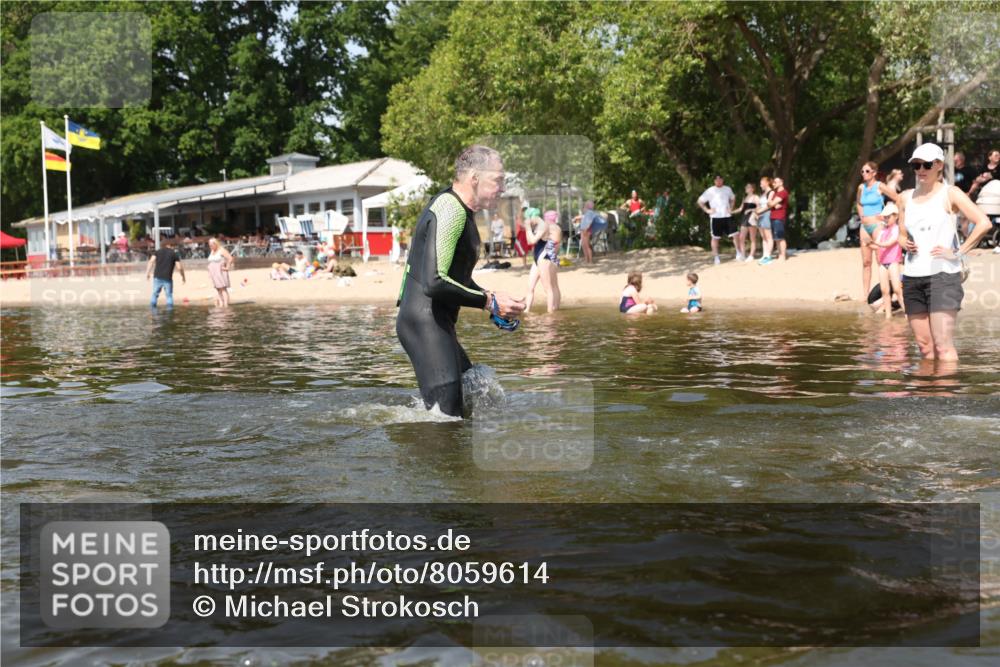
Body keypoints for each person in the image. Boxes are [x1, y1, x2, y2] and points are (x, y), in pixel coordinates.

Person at [395, 145, 524, 417]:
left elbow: (454, 278)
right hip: (423, 322)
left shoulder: (460, 210)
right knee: (446, 421)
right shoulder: (450, 209)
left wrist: (492, 298)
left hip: (434, 321)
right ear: (475, 178)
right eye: (498, 180)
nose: (502, 188)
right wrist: (488, 301)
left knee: (472, 391)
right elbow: (434, 282)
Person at [898, 143, 991, 361]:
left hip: (943, 276)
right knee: (924, 346)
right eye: (916, 165)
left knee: (943, 346)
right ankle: (928, 393)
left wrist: (958, 252)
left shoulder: (951, 193)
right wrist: (904, 242)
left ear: (939, 165)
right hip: (912, 277)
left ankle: (946, 394)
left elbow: (983, 223)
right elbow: (901, 233)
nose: (921, 169)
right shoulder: (905, 197)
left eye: (927, 165)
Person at [856, 162, 900, 295]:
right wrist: (861, 215)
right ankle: (865, 294)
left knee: (880, 260)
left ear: (874, 172)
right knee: (866, 262)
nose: (864, 173)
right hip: (864, 226)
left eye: (867, 171)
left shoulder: (880, 186)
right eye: (862, 171)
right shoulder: (861, 187)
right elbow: (858, 202)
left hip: (877, 225)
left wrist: (888, 215)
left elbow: (897, 198)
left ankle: (885, 291)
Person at [870, 203, 905, 319]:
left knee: (896, 289)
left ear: (895, 216)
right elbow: (878, 244)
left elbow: (889, 243)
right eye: (885, 217)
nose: (886, 219)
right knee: (884, 290)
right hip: (883, 263)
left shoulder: (897, 230)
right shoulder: (883, 231)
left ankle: (907, 313)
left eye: (888, 217)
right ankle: (888, 316)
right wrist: (870, 244)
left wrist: (875, 243)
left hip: (893, 262)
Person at [523, 209, 562, 313]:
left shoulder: (544, 225)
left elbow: (532, 241)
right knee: (531, 286)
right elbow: (529, 240)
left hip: (544, 257)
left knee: (548, 287)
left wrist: (527, 228)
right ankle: (527, 310)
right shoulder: (553, 227)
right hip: (544, 257)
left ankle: (551, 312)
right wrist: (528, 229)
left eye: (529, 219)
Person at [697, 175, 737, 264]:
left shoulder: (727, 189)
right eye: (717, 179)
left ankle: (739, 253)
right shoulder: (710, 190)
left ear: (722, 180)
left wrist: (731, 208)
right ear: (714, 181)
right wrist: (707, 210)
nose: (718, 181)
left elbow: (733, 198)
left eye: (720, 179)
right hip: (715, 217)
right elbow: (700, 201)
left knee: (735, 235)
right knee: (715, 238)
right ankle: (716, 257)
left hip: (727, 216)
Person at [573, 200, 606, 264]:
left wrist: (586, 229)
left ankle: (590, 261)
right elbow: (583, 217)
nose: (583, 208)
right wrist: (577, 218)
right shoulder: (587, 213)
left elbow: (590, 221)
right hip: (583, 229)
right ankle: (586, 260)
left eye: (584, 206)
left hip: (586, 230)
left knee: (587, 245)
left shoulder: (590, 213)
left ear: (587, 206)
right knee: (584, 245)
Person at [733, 183, 760, 262]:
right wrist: (731, 212)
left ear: (752, 189)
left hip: (752, 218)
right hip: (744, 218)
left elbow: (759, 207)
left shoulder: (756, 197)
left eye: (748, 187)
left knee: (752, 238)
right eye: (746, 186)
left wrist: (751, 210)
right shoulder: (745, 198)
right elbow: (741, 208)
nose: (746, 188)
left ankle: (751, 256)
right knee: (741, 238)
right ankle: (743, 255)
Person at [206, 237, 235, 307]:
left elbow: (230, 258)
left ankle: (226, 304)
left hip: (220, 271)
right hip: (214, 272)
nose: (210, 247)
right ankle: (221, 304)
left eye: (211, 245)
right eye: (209, 245)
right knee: (218, 288)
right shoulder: (212, 251)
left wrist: (227, 267)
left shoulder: (221, 250)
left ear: (215, 244)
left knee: (223, 288)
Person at [768, 177, 791, 261]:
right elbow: (770, 204)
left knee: (780, 238)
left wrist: (772, 202)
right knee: (776, 238)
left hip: (779, 217)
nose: (773, 184)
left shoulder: (783, 192)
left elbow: (771, 203)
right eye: (773, 182)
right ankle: (780, 254)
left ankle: (783, 256)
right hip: (773, 217)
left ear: (781, 183)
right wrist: (773, 203)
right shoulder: (775, 193)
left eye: (775, 182)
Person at [756, 176, 774, 264]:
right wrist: (757, 212)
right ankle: (764, 255)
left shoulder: (771, 192)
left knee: (768, 236)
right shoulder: (762, 194)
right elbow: (759, 204)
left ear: (767, 182)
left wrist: (759, 211)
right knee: (763, 237)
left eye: (761, 183)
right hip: (760, 216)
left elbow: (769, 205)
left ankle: (768, 256)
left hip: (766, 214)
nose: (760, 185)